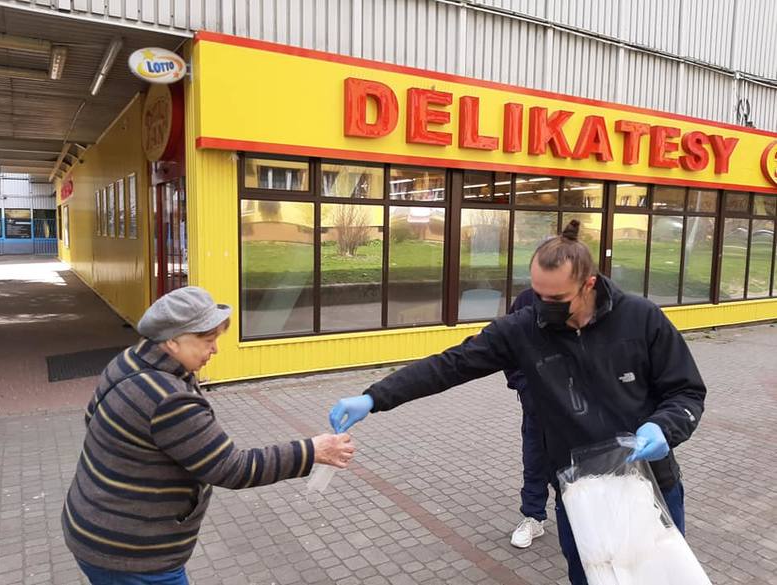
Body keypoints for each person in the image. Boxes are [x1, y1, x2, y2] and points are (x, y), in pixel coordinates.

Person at [329, 221, 706, 585]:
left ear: (589, 284)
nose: (544, 306)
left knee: (657, 575)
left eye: (556, 299)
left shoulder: (641, 319)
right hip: (581, 492)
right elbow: (451, 365)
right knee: (591, 576)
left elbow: (686, 391)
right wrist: (374, 397)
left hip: (650, 483)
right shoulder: (524, 328)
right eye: (537, 294)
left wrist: (663, 427)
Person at [63, 286, 355, 585]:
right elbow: (231, 468)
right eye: (207, 340)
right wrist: (312, 450)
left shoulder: (129, 361)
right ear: (172, 341)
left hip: (94, 525)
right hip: (132, 553)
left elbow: (91, 416)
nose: (215, 350)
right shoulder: (167, 398)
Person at [504, 287, 552, 549]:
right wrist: (525, 386)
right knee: (535, 462)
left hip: (580, 411)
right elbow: (509, 349)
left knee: (581, 469)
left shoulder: (589, 301)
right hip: (537, 407)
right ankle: (533, 517)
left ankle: (583, 521)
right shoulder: (526, 300)